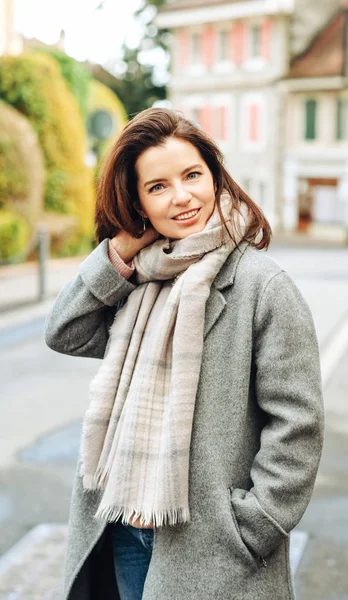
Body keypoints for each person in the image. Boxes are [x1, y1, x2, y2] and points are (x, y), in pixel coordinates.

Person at [44, 107, 324, 600]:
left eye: (192, 175)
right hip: (125, 524)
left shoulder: (263, 286)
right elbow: (65, 330)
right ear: (139, 204)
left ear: (215, 178)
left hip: (211, 543)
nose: (181, 196)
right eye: (157, 187)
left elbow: (297, 424)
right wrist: (120, 252)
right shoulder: (137, 281)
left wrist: (252, 526)